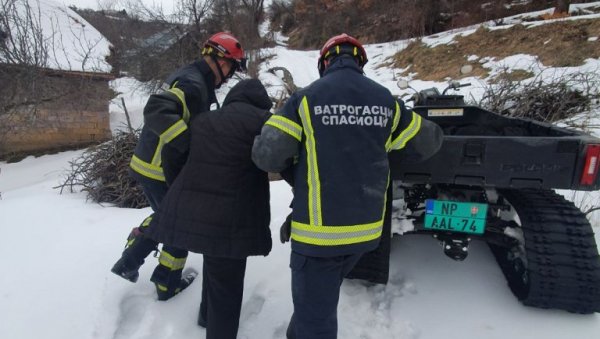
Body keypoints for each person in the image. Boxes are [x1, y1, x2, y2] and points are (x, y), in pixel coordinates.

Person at [252, 33, 443, 339]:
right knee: (315, 308)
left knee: (317, 323)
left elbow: (267, 156)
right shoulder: (386, 102)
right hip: (366, 235)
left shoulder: (305, 99)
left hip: (317, 239)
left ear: (324, 62)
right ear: (360, 62)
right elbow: (430, 140)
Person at [111, 32, 247, 301]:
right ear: (219, 59)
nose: (230, 75)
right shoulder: (192, 83)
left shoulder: (196, 80)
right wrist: (188, 145)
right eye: (231, 66)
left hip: (155, 166)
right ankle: (166, 282)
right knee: (180, 224)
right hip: (159, 169)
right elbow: (158, 110)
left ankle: (131, 262)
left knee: (169, 217)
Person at [145, 78, 273, 339]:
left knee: (214, 262)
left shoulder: (203, 120)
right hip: (234, 219)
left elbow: (172, 154)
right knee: (227, 286)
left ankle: (206, 316)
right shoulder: (265, 121)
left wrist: (184, 188)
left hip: (198, 212)